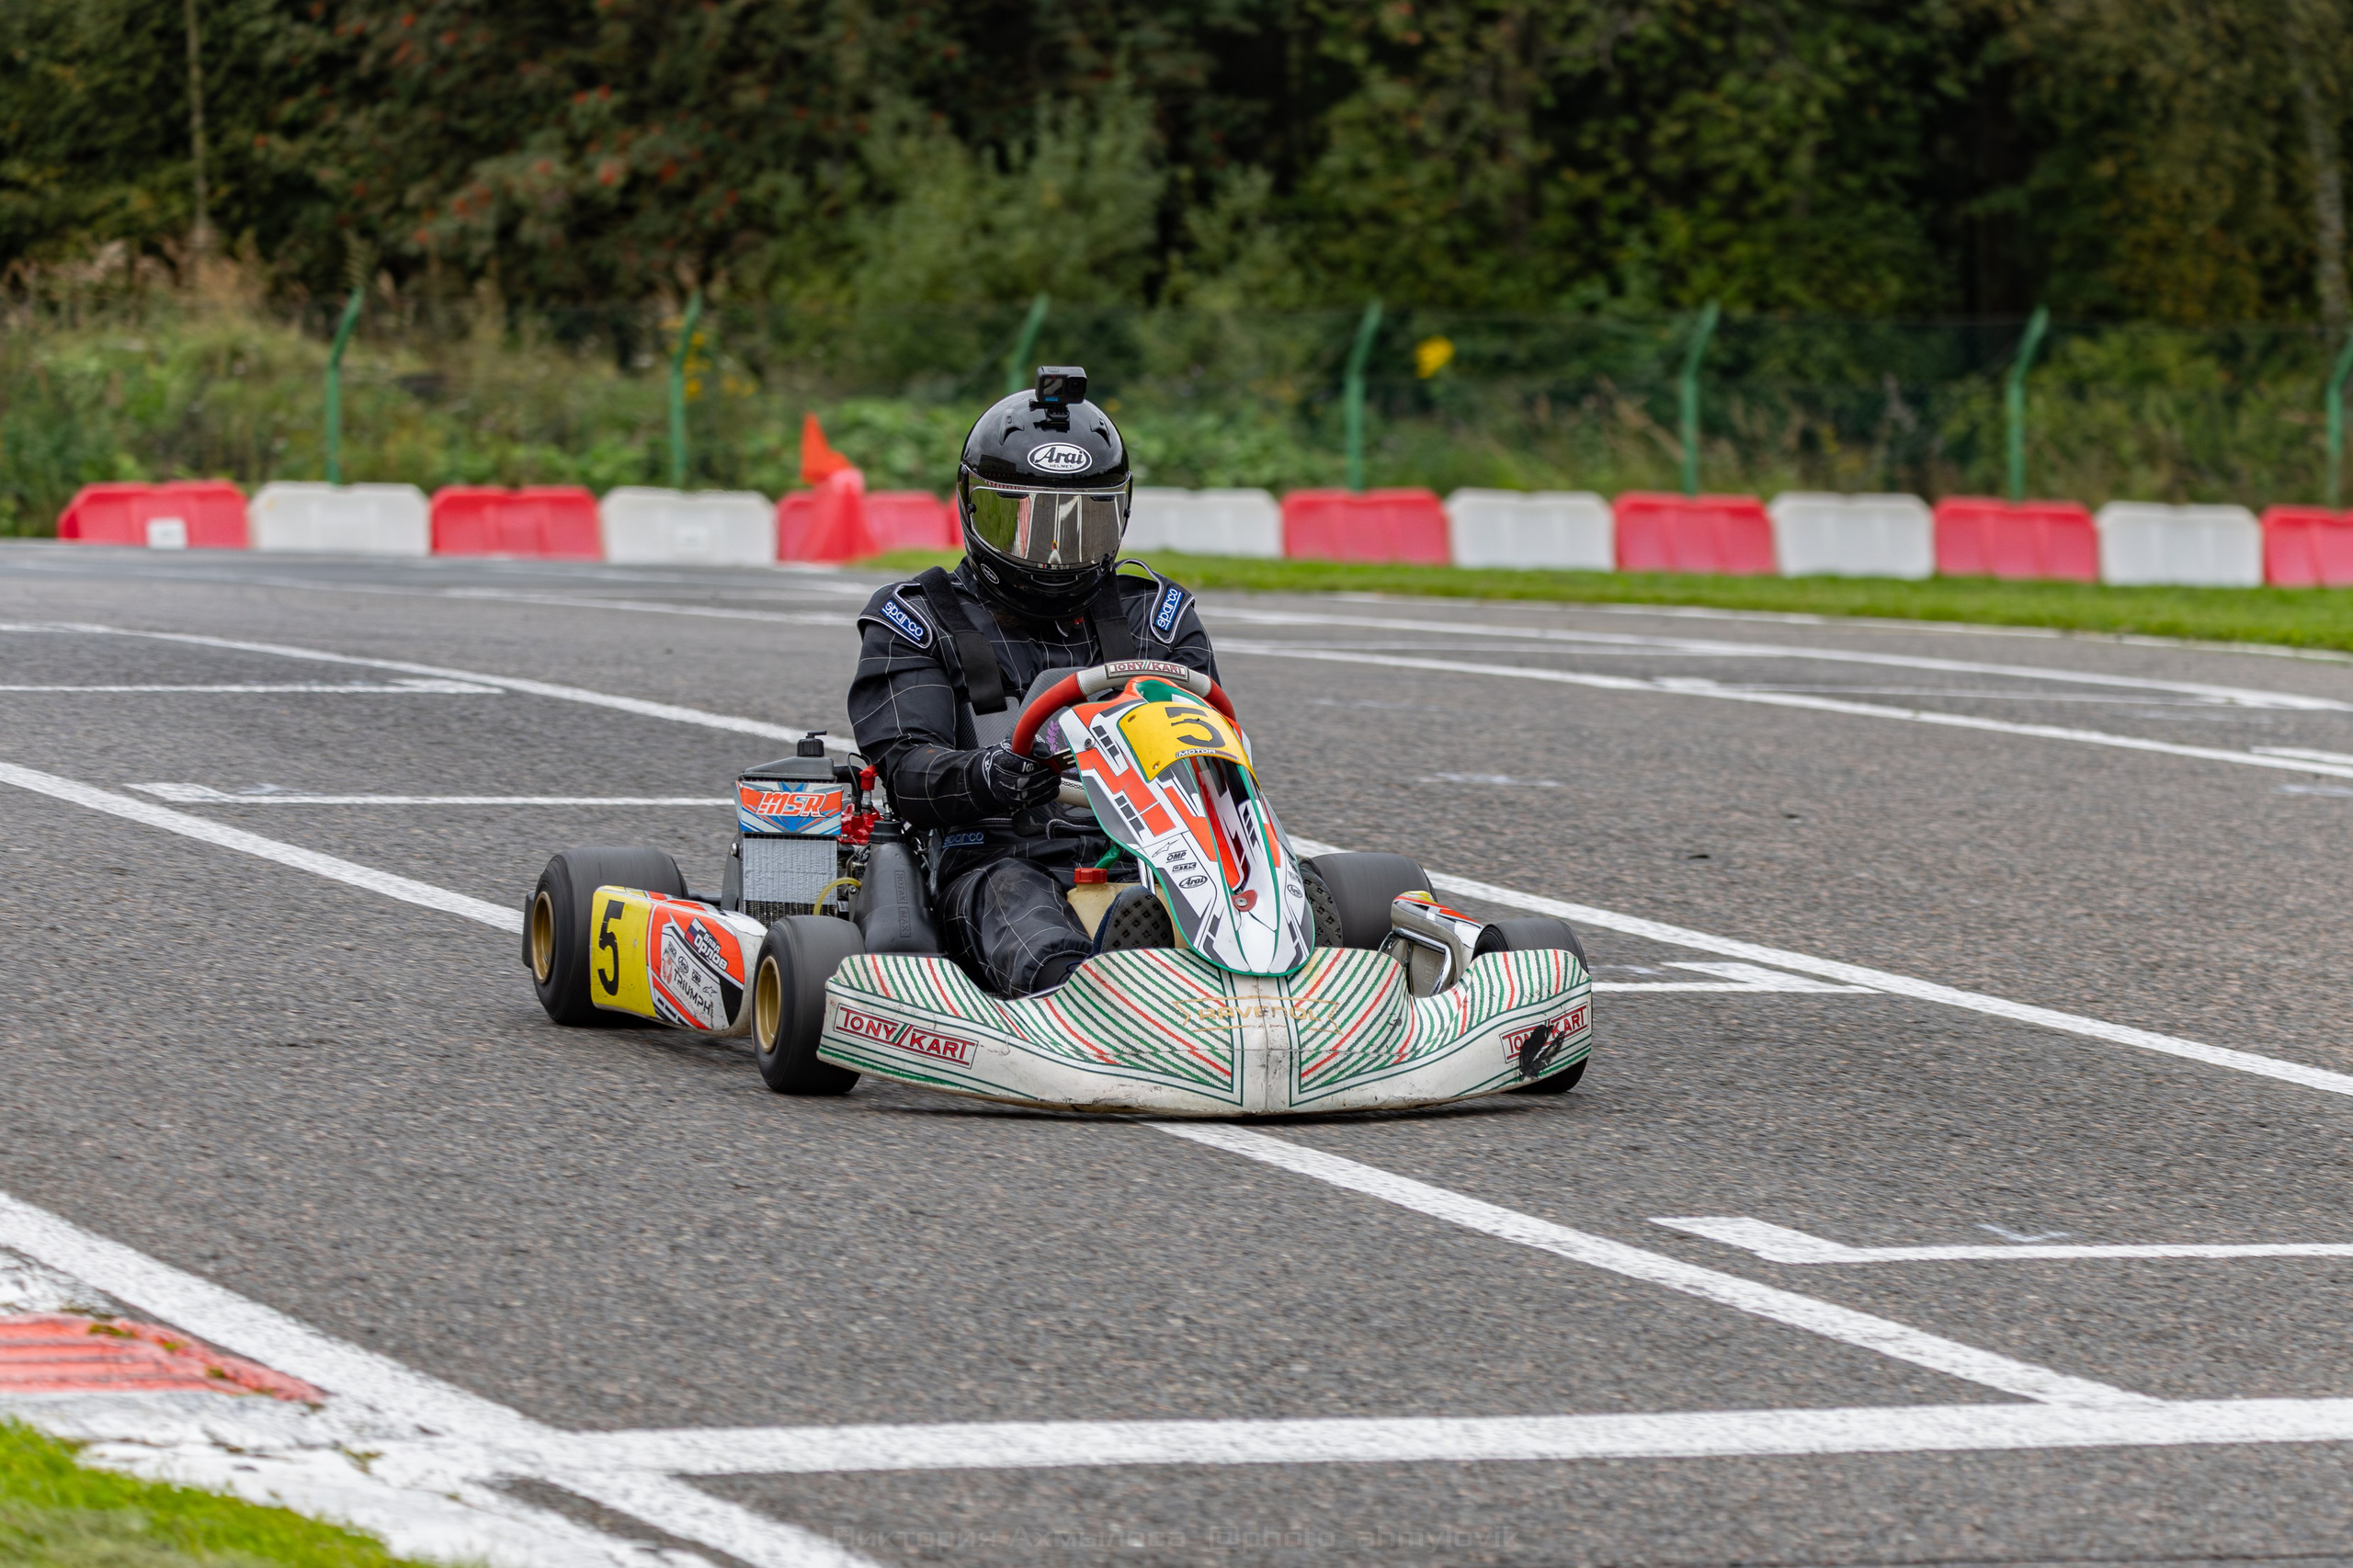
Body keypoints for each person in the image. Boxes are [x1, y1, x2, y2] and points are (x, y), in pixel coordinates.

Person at [847, 367, 1218, 995]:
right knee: (1019, 905)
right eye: (1025, 519)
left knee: (1275, 883)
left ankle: (1270, 960)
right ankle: (1090, 994)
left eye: (1081, 524)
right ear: (973, 505)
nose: (1054, 550)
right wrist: (985, 774)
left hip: (1159, 857)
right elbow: (906, 767)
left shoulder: (1154, 615)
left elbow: (1211, 748)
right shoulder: (918, 618)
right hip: (993, 859)